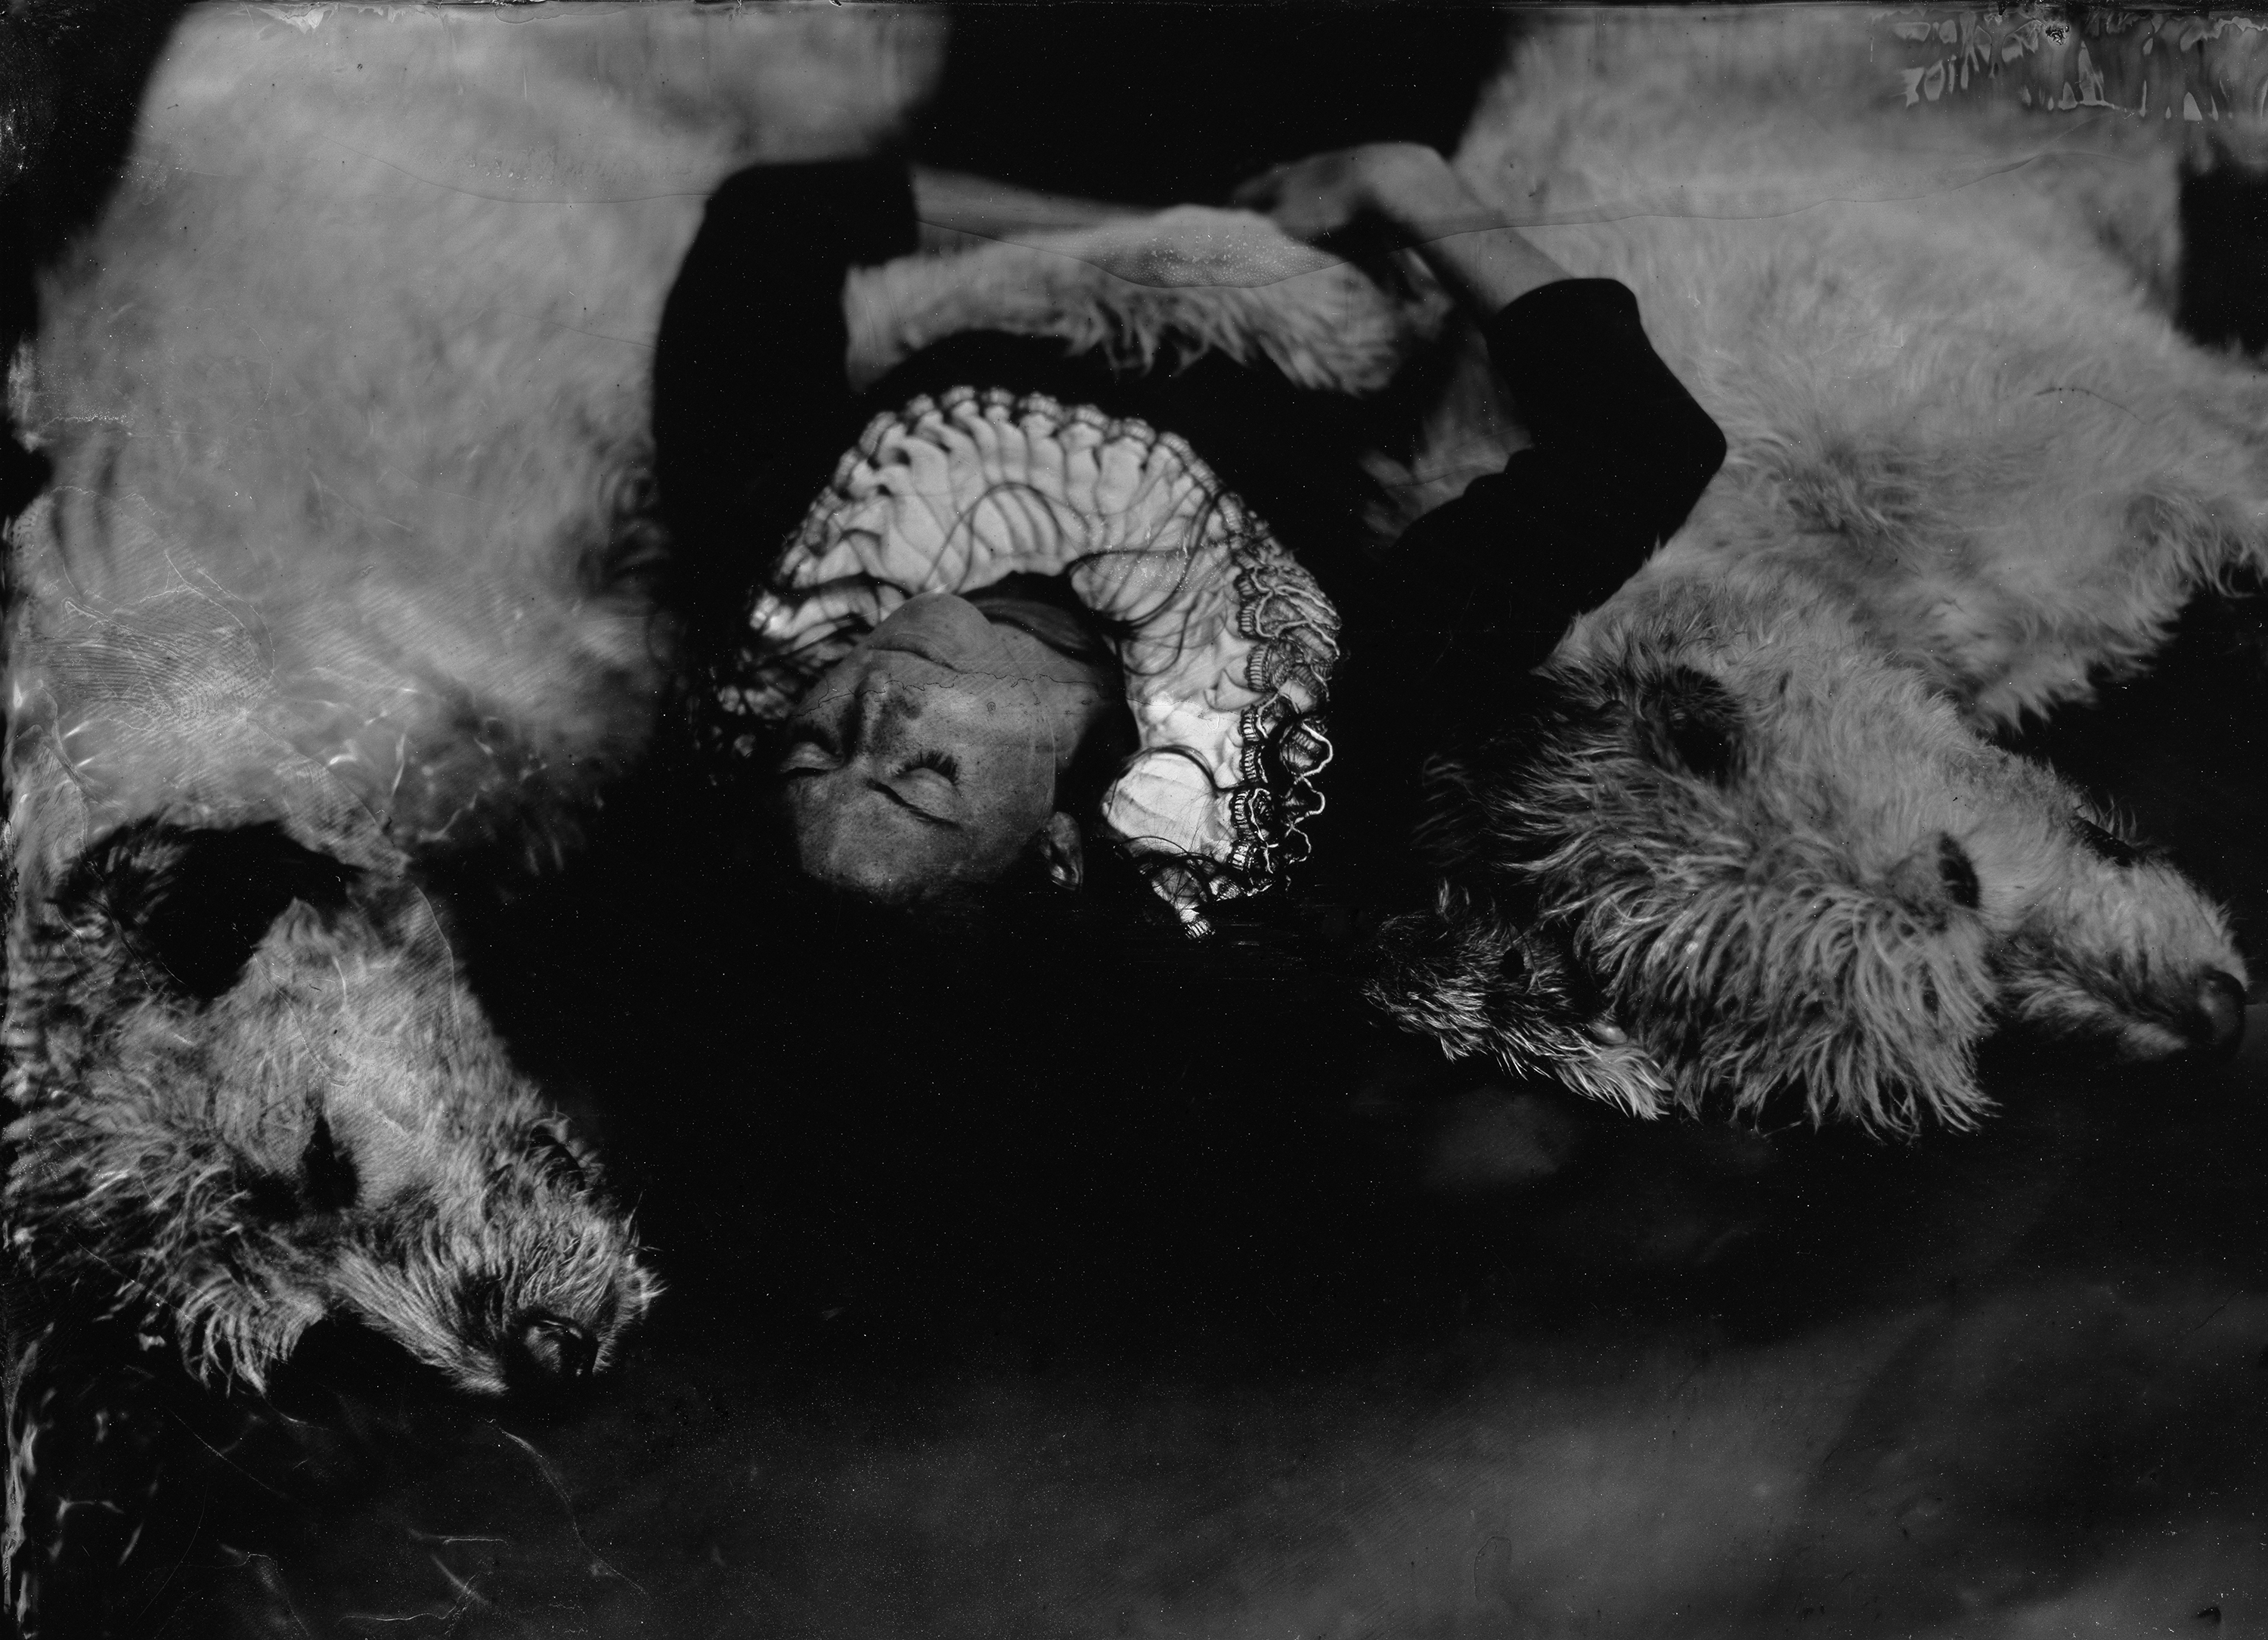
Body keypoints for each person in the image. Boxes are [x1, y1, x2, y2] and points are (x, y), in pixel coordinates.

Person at [649, 143, 1726, 952]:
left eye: (809, 750)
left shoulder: (777, 569)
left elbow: (775, 214)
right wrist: (1397, 181)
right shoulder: (1302, 736)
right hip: (1361, 249)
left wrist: (1166, 237)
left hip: (1047, 178)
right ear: (1056, 852)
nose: (873, 702)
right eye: (924, 779)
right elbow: (1644, 445)